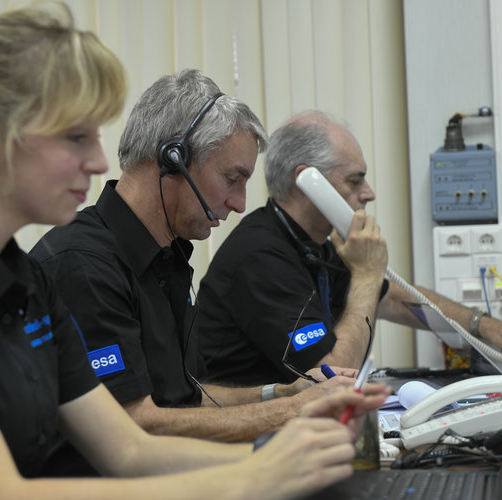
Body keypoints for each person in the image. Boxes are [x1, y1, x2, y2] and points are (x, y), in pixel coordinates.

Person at [0, 8, 388, 499]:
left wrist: (292, 459)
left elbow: (130, 450)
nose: (99, 162)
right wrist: (254, 477)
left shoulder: (23, 281)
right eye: (76, 138)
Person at [29, 69, 366, 453]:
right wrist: (292, 411)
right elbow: (134, 426)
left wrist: (284, 392)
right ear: (175, 158)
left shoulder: (165, 259)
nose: (240, 204)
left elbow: (183, 400)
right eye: (232, 178)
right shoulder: (84, 265)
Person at [197, 110, 502, 386]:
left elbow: (393, 299)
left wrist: (486, 326)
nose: (369, 193)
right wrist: (366, 274)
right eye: (355, 180)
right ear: (308, 183)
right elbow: (333, 377)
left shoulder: (317, 241)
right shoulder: (260, 255)